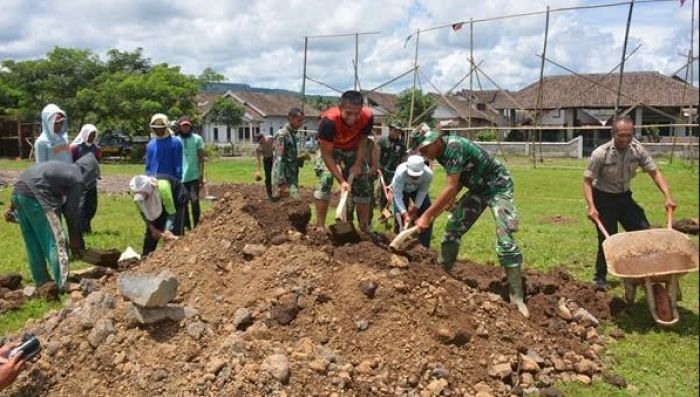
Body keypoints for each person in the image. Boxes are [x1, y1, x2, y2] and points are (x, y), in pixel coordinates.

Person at [412, 121, 529, 318]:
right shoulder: (440, 153)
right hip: (478, 189)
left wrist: (427, 216)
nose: (423, 153)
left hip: (498, 186)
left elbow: (449, 187)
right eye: (420, 150)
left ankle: (517, 297)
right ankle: (441, 275)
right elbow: (458, 181)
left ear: (436, 140)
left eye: (424, 148)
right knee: (453, 227)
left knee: (504, 237)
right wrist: (452, 198)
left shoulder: (453, 147)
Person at [583, 116, 676, 291]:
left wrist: (668, 196)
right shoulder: (600, 153)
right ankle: (600, 277)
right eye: (621, 135)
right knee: (608, 239)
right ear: (613, 133)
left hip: (624, 198)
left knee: (643, 232)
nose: (625, 139)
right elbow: (587, 180)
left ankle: (644, 273)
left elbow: (654, 172)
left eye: (629, 135)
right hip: (603, 198)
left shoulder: (637, 150)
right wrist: (591, 206)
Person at [5, 154, 100, 290]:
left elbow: (27, 178)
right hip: (37, 196)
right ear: (90, 173)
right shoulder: (78, 178)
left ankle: (42, 282)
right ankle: (63, 283)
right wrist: (76, 242)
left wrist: (12, 206)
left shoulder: (66, 169)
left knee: (33, 242)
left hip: (19, 193)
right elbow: (71, 214)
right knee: (57, 240)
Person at [313, 90, 374, 231]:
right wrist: (341, 180)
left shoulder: (367, 117)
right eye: (348, 113)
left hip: (353, 149)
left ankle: (364, 228)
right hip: (331, 149)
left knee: (363, 182)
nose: (353, 118)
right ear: (340, 108)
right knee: (325, 178)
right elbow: (327, 154)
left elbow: (363, 141)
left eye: (357, 113)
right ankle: (320, 227)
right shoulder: (328, 121)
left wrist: (358, 164)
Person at [129, 174, 188, 257]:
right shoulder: (137, 198)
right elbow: (144, 214)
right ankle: (146, 257)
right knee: (151, 234)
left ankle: (177, 257)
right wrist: (152, 229)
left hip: (176, 198)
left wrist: (167, 230)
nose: (142, 199)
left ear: (148, 190)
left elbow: (171, 212)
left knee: (175, 231)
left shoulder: (163, 187)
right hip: (164, 202)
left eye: (144, 196)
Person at [390, 155, 433, 248]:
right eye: (412, 175)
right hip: (402, 190)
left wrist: (416, 209)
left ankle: (423, 246)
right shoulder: (400, 172)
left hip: (417, 190)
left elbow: (422, 192)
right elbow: (397, 195)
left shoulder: (428, 174)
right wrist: (405, 215)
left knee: (426, 213)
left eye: (417, 175)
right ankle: (398, 245)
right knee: (399, 218)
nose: (414, 177)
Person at [70, 124, 103, 233]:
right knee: (81, 207)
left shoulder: (96, 149)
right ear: (85, 134)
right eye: (90, 135)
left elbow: (97, 162)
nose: (92, 137)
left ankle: (87, 225)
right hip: (79, 182)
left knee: (91, 206)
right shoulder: (75, 148)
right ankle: (81, 229)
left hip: (91, 182)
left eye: (94, 135)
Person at [177, 116, 204, 229]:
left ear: (190, 126)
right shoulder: (176, 140)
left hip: (193, 175)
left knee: (195, 201)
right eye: (183, 126)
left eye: (187, 125)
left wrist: (201, 176)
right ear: (180, 127)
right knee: (183, 203)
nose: (186, 128)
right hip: (180, 177)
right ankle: (187, 226)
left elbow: (201, 158)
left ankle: (197, 225)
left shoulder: (197, 139)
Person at [272, 108, 304, 199]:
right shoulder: (282, 135)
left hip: (292, 178)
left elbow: (289, 157)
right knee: (295, 202)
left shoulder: (292, 135)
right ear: (290, 118)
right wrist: (281, 182)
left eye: (302, 120)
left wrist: (300, 159)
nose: (301, 123)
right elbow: (279, 159)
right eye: (299, 120)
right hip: (285, 180)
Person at [377, 122, 407, 210]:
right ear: (391, 130)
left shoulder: (402, 144)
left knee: (397, 193)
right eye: (395, 130)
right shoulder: (383, 141)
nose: (397, 133)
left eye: (399, 131)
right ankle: (384, 213)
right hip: (384, 171)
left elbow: (403, 158)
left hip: (396, 172)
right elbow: (377, 155)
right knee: (383, 193)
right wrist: (378, 167)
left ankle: (397, 212)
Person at [145, 114, 183, 181]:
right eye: (156, 128)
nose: (158, 130)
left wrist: (177, 181)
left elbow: (178, 165)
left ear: (166, 127)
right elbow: (148, 166)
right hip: (153, 181)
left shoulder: (176, 143)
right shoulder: (150, 144)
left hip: (171, 180)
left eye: (161, 128)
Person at [256, 133, 275, 199]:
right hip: (266, 160)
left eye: (261, 141)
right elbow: (258, 159)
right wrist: (258, 170)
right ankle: (269, 194)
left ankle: (281, 190)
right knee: (268, 177)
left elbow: (278, 142)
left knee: (278, 173)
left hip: (273, 158)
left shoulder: (270, 138)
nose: (261, 143)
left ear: (264, 138)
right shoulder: (259, 147)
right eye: (260, 142)